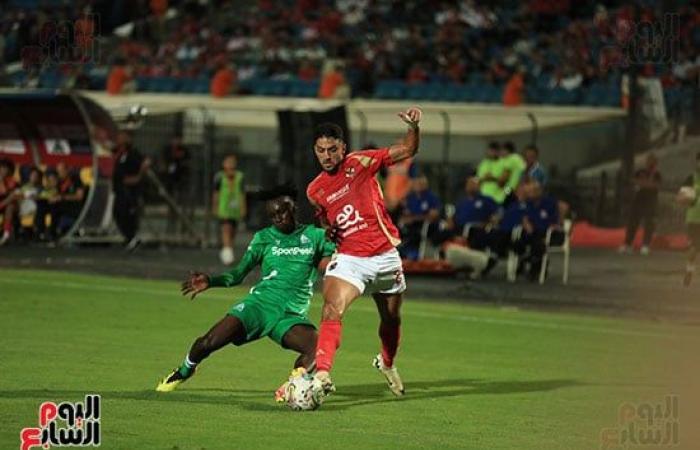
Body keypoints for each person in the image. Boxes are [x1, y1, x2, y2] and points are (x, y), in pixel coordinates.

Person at [155, 184, 336, 401]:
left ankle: (292, 386)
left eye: (282, 211)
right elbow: (238, 274)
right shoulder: (263, 238)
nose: (278, 218)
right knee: (208, 342)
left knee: (318, 346)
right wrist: (211, 281)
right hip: (258, 306)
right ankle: (185, 370)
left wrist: (336, 242)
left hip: (290, 315)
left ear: (293, 208)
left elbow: (339, 257)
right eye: (272, 215)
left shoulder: (315, 236)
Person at [305, 106, 422, 401]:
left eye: (333, 149)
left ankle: (387, 362)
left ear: (343, 148)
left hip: (384, 255)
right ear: (315, 151)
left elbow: (409, 149)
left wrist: (414, 127)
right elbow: (324, 219)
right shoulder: (314, 189)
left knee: (392, 318)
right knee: (331, 309)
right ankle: (322, 374)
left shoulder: (360, 162)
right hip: (349, 260)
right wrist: (328, 231)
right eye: (321, 150)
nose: (327, 156)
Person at [112, 131, 151, 248]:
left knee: (128, 214)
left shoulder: (133, 153)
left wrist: (138, 176)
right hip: (120, 190)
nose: (118, 139)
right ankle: (128, 237)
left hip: (129, 191)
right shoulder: (120, 153)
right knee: (118, 213)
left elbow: (145, 162)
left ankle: (132, 237)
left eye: (121, 137)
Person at [619, 154, 662, 255]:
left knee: (649, 224)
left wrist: (644, 183)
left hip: (651, 201)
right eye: (648, 161)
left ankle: (645, 245)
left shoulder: (657, 174)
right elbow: (634, 182)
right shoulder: (640, 172)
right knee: (633, 222)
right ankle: (627, 244)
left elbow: (655, 186)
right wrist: (644, 183)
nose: (649, 163)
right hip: (638, 200)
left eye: (652, 161)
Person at [398, 175, 441, 260]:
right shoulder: (410, 198)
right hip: (410, 226)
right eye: (417, 183)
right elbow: (405, 214)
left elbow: (433, 216)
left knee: (415, 234)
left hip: (426, 226)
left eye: (422, 183)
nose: (419, 185)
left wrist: (414, 218)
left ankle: (413, 254)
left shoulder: (431, 198)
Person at [213, 154, 246, 265]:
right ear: (224, 164)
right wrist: (215, 207)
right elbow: (216, 194)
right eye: (228, 162)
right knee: (226, 228)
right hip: (224, 208)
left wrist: (243, 208)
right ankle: (227, 253)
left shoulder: (240, 177)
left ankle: (227, 250)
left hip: (235, 209)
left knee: (232, 232)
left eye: (232, 162)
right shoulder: (219, 177)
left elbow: (242, 194)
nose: (230, 165)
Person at [453, 176, 500, 251]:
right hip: (459, 228)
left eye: (473, 184)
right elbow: (454, 217)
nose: (471, 186)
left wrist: (490, 222)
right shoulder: (461, 202)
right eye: (469, 184)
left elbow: (497, 214)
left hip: (477, 229)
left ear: (479, 186)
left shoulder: (487, 200)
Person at [679, 152, 700, 286]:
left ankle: (689, 270)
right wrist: (688, 198)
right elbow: (681, 198)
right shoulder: (691, 178)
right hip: (694, 219)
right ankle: (689, 270)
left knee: (695, 246)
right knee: (694, 246)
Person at [498, 141, 526, 206]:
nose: (500, 153)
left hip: (509, 188)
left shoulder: (510, 159)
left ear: (506, 150)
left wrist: (499, 184)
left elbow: (504, 177)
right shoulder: (519, 158)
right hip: (518, 188)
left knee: (503, 203)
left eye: (502, 150)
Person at [0, 158, 18, 245]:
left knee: (10, 206)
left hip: (6, 205)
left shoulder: (12, 180)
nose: (4, 170)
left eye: (6, 168)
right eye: (2, 167)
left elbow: (11, 196)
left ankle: (6, 235)